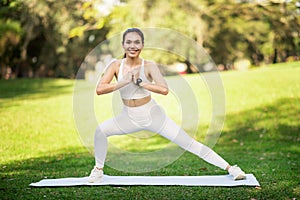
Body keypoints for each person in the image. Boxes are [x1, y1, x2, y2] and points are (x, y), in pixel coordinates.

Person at [88, 28, 246, 183]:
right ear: (123, 45)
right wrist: (124, 81)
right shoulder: (116, 65)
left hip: (154, 116)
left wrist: (142, 83)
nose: (133, 46)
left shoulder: (149, 66)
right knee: (101, 130)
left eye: (137, 42)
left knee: (188, 143)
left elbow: (164, 89)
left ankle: (231, 168)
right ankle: (98, 170)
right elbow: (100, 89)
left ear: (142, 45)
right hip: (128, 117)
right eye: (128, 42)